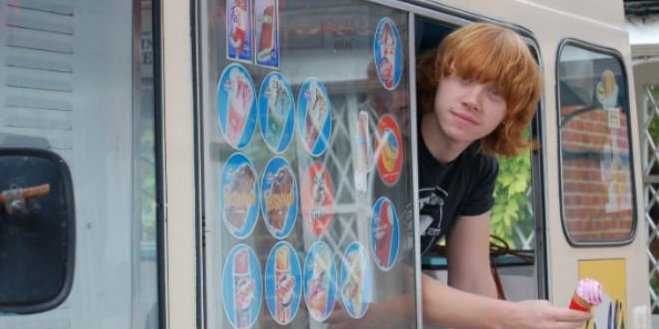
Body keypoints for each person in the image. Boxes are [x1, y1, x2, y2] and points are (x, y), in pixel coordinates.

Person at [415, 22, 592, 328]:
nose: (473, 100)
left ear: (509, 115)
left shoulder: (479, 164)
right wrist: (510, 316)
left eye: (494, 93)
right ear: (438, 77)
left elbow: (472, 278)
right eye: (465, 78)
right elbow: (384, 275)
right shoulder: (390, 142)